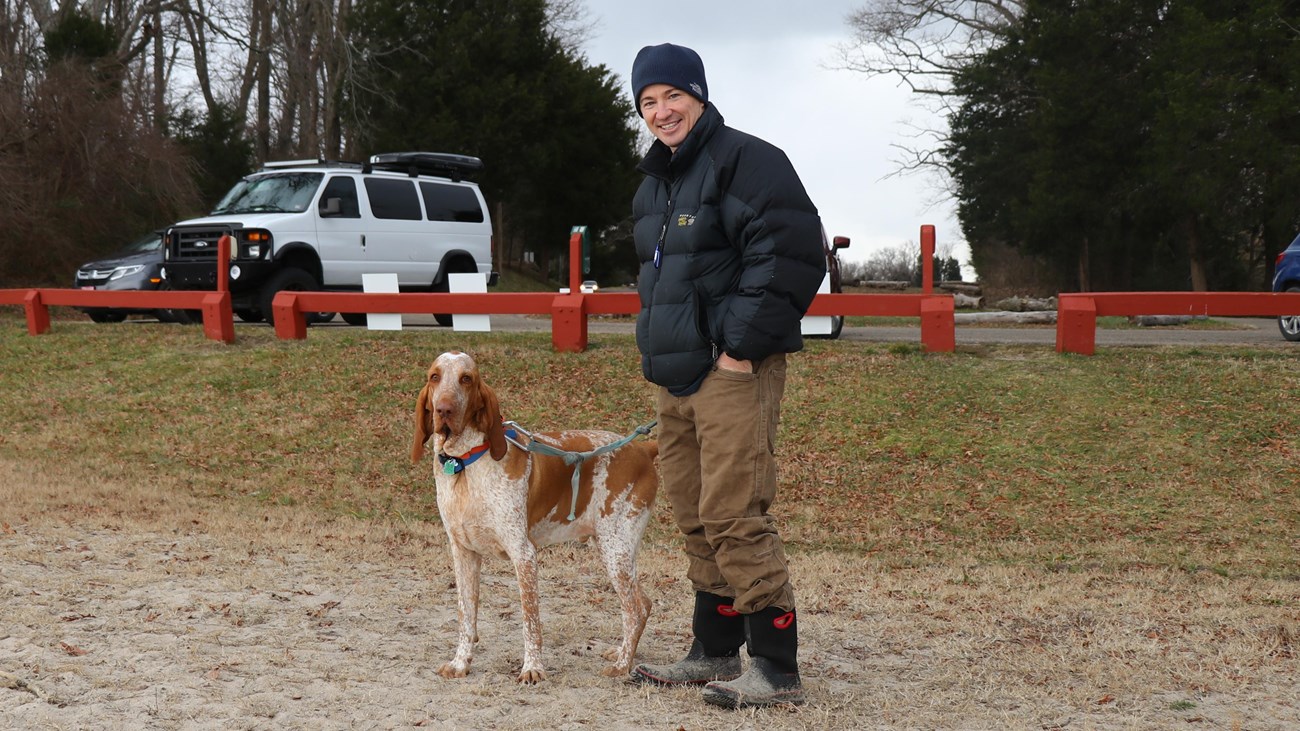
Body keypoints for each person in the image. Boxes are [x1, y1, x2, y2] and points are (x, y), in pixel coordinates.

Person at [625, 43, 826, 709]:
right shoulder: (655, 183)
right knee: (692, 512)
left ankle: (776, 668)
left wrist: (738, 347)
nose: (662, 111)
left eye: (672, 96)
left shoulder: (747, 161)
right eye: (648, 101)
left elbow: (792, 253)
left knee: (734, 513)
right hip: (675, 377)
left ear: (699, 95)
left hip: (734, 372)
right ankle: (712, 649)